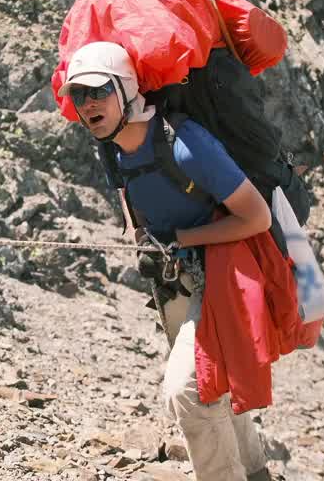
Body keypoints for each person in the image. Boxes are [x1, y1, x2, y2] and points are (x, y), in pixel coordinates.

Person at [60, 41, 286, 481]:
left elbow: (255, 218)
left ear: (126, 89)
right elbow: (133, 202)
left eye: (97, 91)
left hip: (226, 274)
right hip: (178, 281)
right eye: (77, 95)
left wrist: (183, 238)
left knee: (190, 392)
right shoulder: (112, 148)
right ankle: (256, 473)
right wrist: (144, 239)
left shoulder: (184, 144)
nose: (87, 104)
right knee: (211, 385)